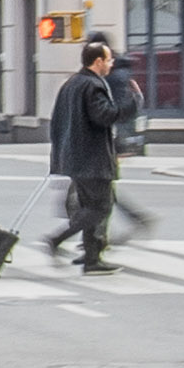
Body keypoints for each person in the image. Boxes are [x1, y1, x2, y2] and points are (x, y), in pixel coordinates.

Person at [43, 38, 128, 271]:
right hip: (92, 160)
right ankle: (57, 239)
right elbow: (105, 116)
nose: (111, 64)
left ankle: (91, 258)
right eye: (109, 59)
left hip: (75, 159)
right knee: (100, 208)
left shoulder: (71, 84)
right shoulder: (93, 86)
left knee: (90, 206)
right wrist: (131, 104)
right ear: (98, 61)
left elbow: (57, 123)